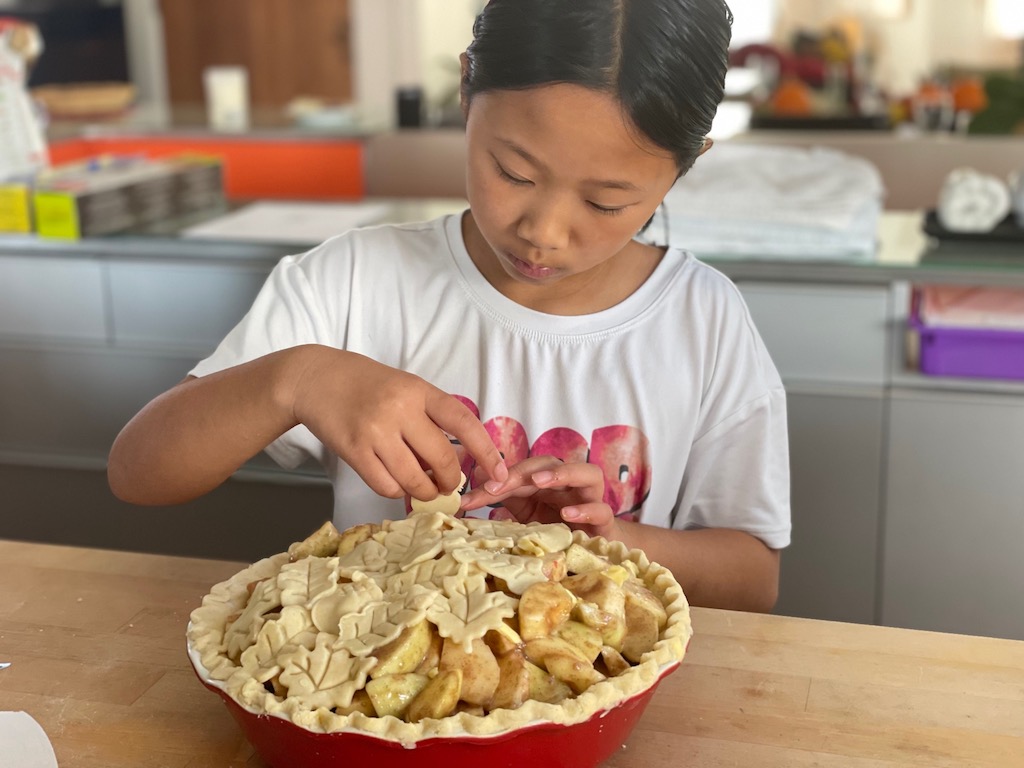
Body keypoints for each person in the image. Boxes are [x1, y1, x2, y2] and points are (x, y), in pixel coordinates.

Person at [108, 0, 789, 612]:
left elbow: (753, 580)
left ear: (687, 164)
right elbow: (138, 472)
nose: (544, 232)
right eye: (515, 173)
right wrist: (296, 379)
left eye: (605, 202)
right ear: (467, 89)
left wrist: (614, 538)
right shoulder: (354, 280)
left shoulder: (703, 321)